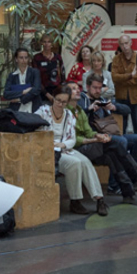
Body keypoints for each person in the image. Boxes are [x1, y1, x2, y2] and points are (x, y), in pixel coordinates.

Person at [66, 83, 137, 207]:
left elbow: (88, 132)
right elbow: (72, 139)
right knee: (116, 142)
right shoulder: (66, 112)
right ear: (66, 94)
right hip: (76, 149)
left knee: (112, 154)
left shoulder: (79, 110)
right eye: (73, 89)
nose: (77, 90)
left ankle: (129, 194)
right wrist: (93, 140)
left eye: (77, 88)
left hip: (90, 144)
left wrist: (98, 136)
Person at [36, 86, 108, 216]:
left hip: (64, 148)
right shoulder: (43, 112)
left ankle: (99, 199)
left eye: (64, 102)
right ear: (53, 98)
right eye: (58, 100)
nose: (60, 104)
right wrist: (51, 144)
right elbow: (34, 130)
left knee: (85, 162)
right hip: (48, 150)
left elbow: (72, 139)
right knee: (74, 163)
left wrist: (62, 144)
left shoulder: (69, 115)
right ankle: (75, 200)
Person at [81, 73, 137, 169]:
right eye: (95, 88)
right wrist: (89, 109)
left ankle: (135, 172)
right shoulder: (82, 100)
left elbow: (128, 110)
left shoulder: (102, 99)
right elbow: (77, 115)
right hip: (96, 138)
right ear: (87, 87)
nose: (98, 91)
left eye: (100, 88)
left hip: (109, 134)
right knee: (121, 141)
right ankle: (127, 173)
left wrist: (113, 107)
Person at [111, 34, 137, 135]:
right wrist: (130, 75)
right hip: (121, 97)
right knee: (121, 127)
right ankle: (123, 145)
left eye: (126, 43)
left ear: (131, 43)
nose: (124, 46)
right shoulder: (116, 59)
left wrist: (123, 80)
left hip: (136, 97)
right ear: (119, 46)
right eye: (122, 44)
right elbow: (114, 77)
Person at [3, 47, 44, 112]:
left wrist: (19, 99)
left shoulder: (34, 72)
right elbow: (6, 94)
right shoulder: (12, 76)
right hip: (17, 110)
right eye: (21, 58)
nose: (24, 60)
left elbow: (36, 90)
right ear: (16, 59)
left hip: (33, 109)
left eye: (26, 57)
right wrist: (23, 92)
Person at [32, 33, 65, 103]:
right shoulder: (37, 58)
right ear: (41, 43)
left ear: (52, 43)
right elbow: (36, 79)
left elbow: (63, 75)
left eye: (49, 42)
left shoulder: (57, 57)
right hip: (42, 93)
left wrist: (62, 91)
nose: (46, 44)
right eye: (44, 42)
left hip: (57, 92)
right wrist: (47, 95)